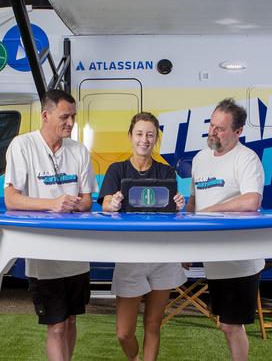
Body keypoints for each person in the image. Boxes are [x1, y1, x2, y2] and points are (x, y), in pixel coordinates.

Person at [3, 89, 98, 361]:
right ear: (45, 115)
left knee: (70, 321)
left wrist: (75, 204)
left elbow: (88, 200)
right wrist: (52, 203)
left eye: (74, 117)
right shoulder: (22, 146)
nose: (70, 123)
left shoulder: (79, 150)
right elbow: (11, 199)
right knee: (56, 325)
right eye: (64, 117)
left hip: (77, 254)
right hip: (43, 253)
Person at [98, 112, 187, 361]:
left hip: (162, 254)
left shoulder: (167, 172)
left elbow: (173, 211)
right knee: (124, 333)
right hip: (130, 254)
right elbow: (104, 203)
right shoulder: (117, 169)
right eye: (139, 134)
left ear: (156, 139)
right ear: (130, 136)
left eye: (150, 135)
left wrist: (178, 204)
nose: (144, 140)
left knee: (153, 324)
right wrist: (112, 203)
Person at [185, 98, 265, 361]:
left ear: (238, 131)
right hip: (213, 258)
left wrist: (210, 211)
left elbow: (252, 200)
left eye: (220, 128)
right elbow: (193, 202)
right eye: (211, 125)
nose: (213, 132)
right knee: (224, 323)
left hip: (240, 260)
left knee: (232, 325)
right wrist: (185, 242)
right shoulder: (200, 159)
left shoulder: (246, 159)